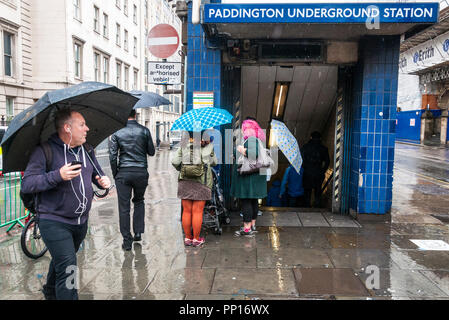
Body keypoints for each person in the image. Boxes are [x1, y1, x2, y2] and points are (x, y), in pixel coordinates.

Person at [21, 109, 111, 300]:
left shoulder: (87, 149)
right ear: (67, 128)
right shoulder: (44, 150)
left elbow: (96, 174)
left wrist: (102, 181)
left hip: (80, 222)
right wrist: (57, 176)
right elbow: (27, 183)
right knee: (69, 267)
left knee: (62, 261)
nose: (87, 128)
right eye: (82, 124)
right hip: (53, 221)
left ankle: (50, 292)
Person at [109, 109, 155, 251]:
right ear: (135, 115)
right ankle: (138, 232)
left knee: (124, 207)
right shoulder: (145, 130)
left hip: (124, 173)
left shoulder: (117, 132)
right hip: (141, 172)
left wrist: (116, 173)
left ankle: (127, 240)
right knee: (139, 201)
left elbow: (112, 156)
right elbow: (151, 152)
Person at [172, 131, 217, 247]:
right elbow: (214, 163)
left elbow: (175, 162)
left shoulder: (183, 144)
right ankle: (196, 239)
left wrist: (183, 168)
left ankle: (187, 238)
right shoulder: (208, 146)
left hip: (185, 181)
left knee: (186, 211)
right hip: (202, 182)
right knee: (197, 211)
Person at [230, 117, 268, 236]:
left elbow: (252, 154)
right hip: (254, 178)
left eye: (243, 128)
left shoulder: (251, 140)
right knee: (253, 201)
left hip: (249, 179)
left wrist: (240, 150)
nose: (241, 130)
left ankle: (247, 229)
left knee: (246, 202)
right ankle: (252, 225)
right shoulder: (258, 140)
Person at [301, 131, 330, 208]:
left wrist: (305, 168)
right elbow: (327, 162)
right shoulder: (324, 149)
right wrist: (323, 171)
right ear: (320, 138)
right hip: (318, 173)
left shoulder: (305, 147)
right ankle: (317, 207)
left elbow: (301, 160)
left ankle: (306, 207)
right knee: (317, 191)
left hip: (307, 173)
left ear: (311, 137)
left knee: (307, 192)